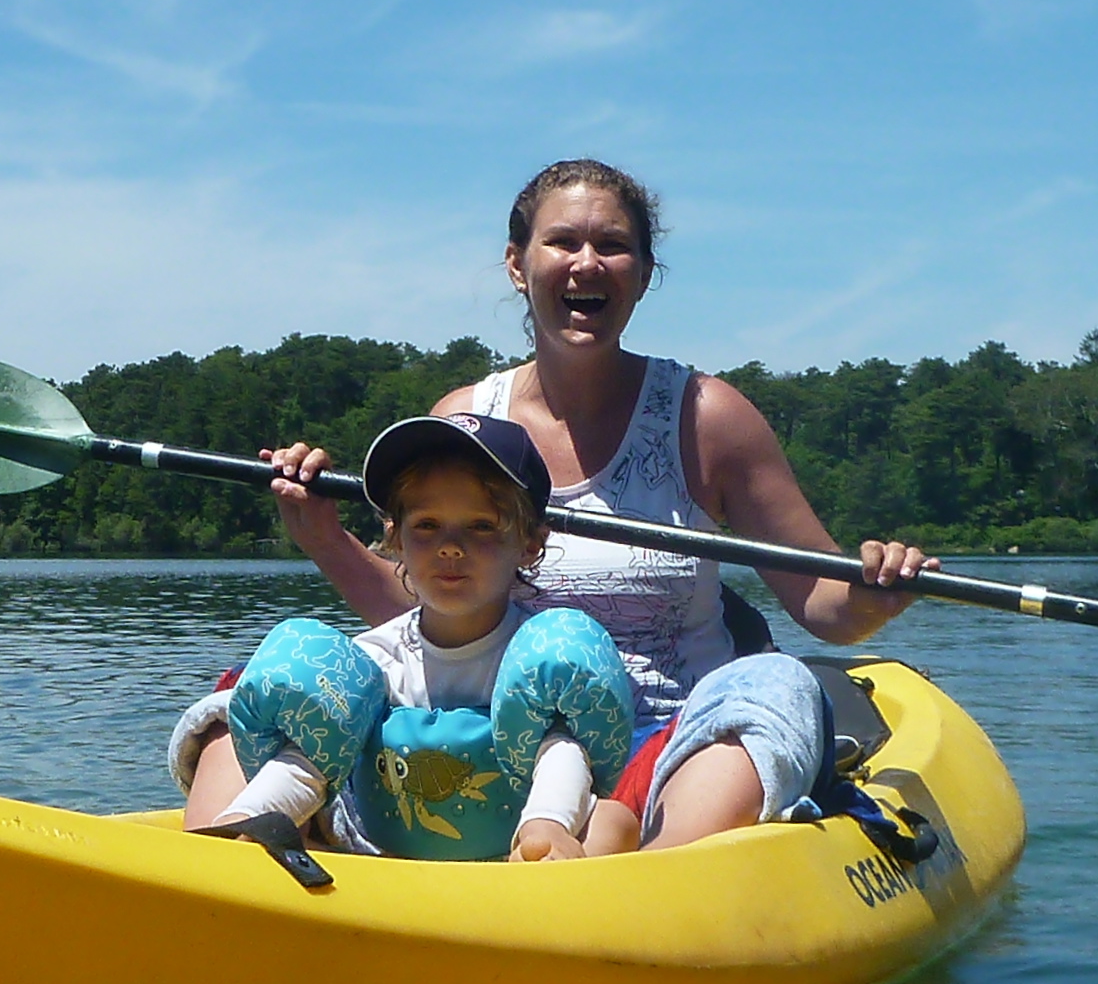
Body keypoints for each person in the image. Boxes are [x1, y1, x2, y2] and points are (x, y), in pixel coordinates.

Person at [247, 160, 938, 850]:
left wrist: (872, 593)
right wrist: (323, 538)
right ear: (517, 265)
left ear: (642, 272)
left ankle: (634, 882)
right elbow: (424, 608)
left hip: (671, 737)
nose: (587, 263)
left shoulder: (707, 416)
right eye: (562, 242)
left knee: (777, 682)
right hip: (495, 735)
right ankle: (238, 850)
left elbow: (822, 596)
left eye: (611, 245)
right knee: (259, 682)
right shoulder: (463, 417)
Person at [171, 411, 637, 862]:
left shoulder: (543, 660)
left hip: (520, 854)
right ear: (395, 537)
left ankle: (547, 887)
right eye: (427, 526)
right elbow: (307, 760)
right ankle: (246, 853)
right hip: (379, 856)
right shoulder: (371, 660)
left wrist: (549, 824)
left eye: (481, 526)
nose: (450, 546)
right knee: (303, 743)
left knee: (614, 820)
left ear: (531, 542)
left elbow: (563, 751)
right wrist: (256, 817)